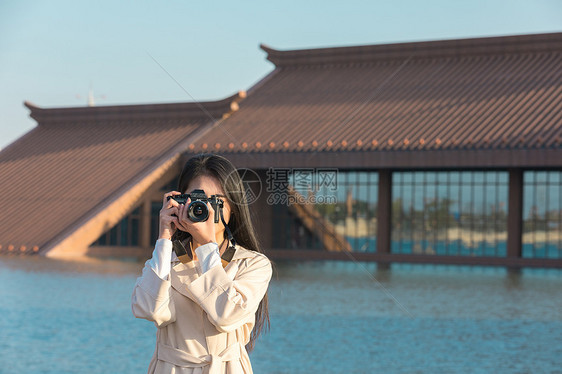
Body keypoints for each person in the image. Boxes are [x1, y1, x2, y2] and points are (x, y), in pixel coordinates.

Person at [132, 153, 272, 374]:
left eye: (214, 201)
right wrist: (164, 239)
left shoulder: (253, 264)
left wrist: (207, 245)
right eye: (196, 199)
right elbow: (150, 310)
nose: (202, 208)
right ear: (178, 202)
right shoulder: (166, 259)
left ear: (233, 206)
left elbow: (226, 314)